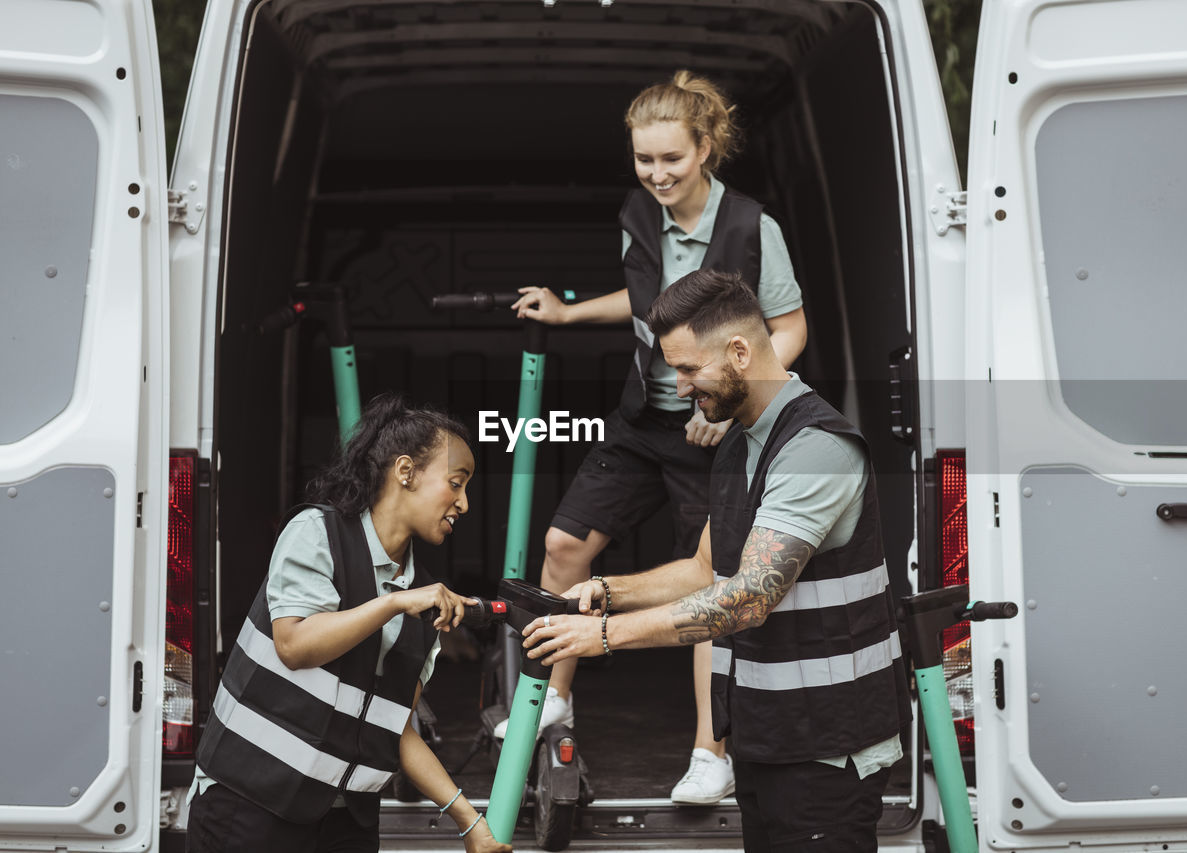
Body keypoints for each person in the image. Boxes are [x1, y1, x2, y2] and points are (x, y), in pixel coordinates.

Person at [520, 271, 912, 852]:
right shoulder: (739, 440)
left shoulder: (816, 449)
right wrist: (606, 590)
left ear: (738, 351)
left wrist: (603, 635)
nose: (678, 388)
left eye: (687, 369)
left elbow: (749, 596)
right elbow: (708, 568)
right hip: (767, 737)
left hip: (829, 748)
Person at [503, 70, 808, 805]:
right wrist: (568, 312)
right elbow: (648, 307)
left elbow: (790, 328)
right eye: (646, 160)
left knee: (708, 581)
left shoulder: (751, 228)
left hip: (717, 432)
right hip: (645, 420)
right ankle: (555, 695)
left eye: (672, 158)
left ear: (704, 148)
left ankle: (712, 751)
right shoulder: (639, 213)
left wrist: (732, 398)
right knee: (562, 546)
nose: (658, 173)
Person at [186, 395, 510, 853]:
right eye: (456, 484)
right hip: (251, 803)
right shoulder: (317, 532)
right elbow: (295, 645)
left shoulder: (425, 596)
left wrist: (469, 821)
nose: (465, 503)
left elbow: (395, 726)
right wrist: (394, 604)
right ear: (406, 472)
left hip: (344, 822)